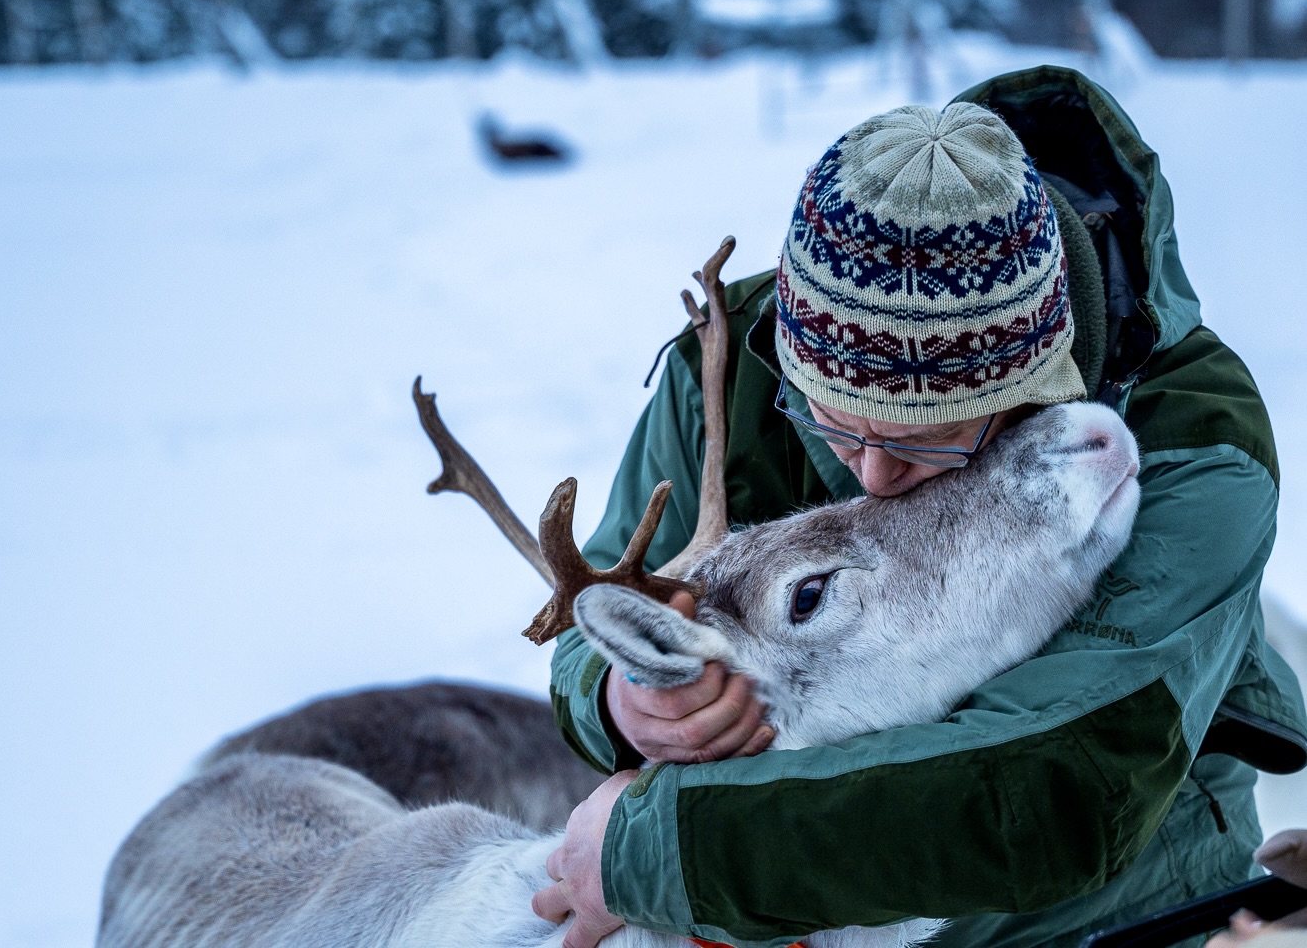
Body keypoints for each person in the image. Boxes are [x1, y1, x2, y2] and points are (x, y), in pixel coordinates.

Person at [531, 66, 1307, 948]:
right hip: (799, 917)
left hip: (1113, 918)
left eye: (924, 438)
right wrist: (625, 702)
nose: (868, 474)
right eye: (831, 423)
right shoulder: (737, 364)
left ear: (1037, 382)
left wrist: (659, 850)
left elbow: (1061, 787)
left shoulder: (1194, 443)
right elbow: (603, 620)